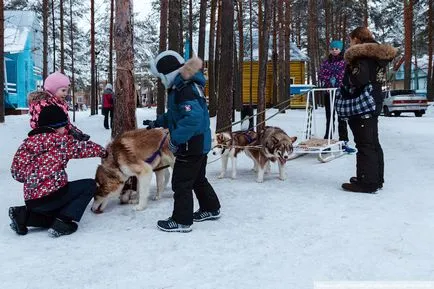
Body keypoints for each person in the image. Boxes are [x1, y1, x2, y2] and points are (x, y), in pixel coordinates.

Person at [143, 50, 221, 233]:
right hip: (199, 142)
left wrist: (175, 140)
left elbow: (192, 119)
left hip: (191, 143)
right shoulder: (182, 86)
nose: (161, 81)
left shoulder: (184, 89)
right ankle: (211, 208)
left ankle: (181, 220)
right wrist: (158, 122)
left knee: (181, 182)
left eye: (161, 77)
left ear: (168, 73)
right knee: (197, 179)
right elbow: (177, 114)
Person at [8, 105, 107, 237]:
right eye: (63, 126)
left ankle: (22, 216)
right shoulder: (60, 142)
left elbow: (16, 173)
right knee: (89, 185)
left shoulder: (26, 145)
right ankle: (64, 222)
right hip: (54, 196)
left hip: (32, 201)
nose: (65, 130)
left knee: (51, 218)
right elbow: (83, 148)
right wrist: (104, 152)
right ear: (57, 126)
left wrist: (34, 177)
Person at [340, 27, 397, 193]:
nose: (350, 43)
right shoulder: (377, 55)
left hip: (363, 102)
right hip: (374, 99)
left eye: (351, 39)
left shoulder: (362, 55)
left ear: (357, 38)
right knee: (372, 142)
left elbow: (360, 79)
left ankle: (367, 183)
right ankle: (375, 179)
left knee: (364, 143)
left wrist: (348, 76)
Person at [28, 71, 90, 141]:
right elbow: (43, 127)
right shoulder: (43, 105)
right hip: (48, 141)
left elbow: (65, 124)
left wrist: (76, 133)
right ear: (53, 89)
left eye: (67, 91)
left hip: (61, 139)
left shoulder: (59, 103)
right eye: (63, 90)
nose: (66, 93)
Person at [318, 40, 355, 153]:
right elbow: (321, 73)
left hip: (341, 93)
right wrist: (329, 79)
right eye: (332, 49)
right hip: (329, 92)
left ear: (341, 50)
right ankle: (327, 140)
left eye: (336, 49)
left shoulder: (344, 62)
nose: (334, 51)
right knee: (329, 117)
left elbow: (345, 74)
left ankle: (344, 141)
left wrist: (338, 80)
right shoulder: (326, 62)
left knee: (341, 117)